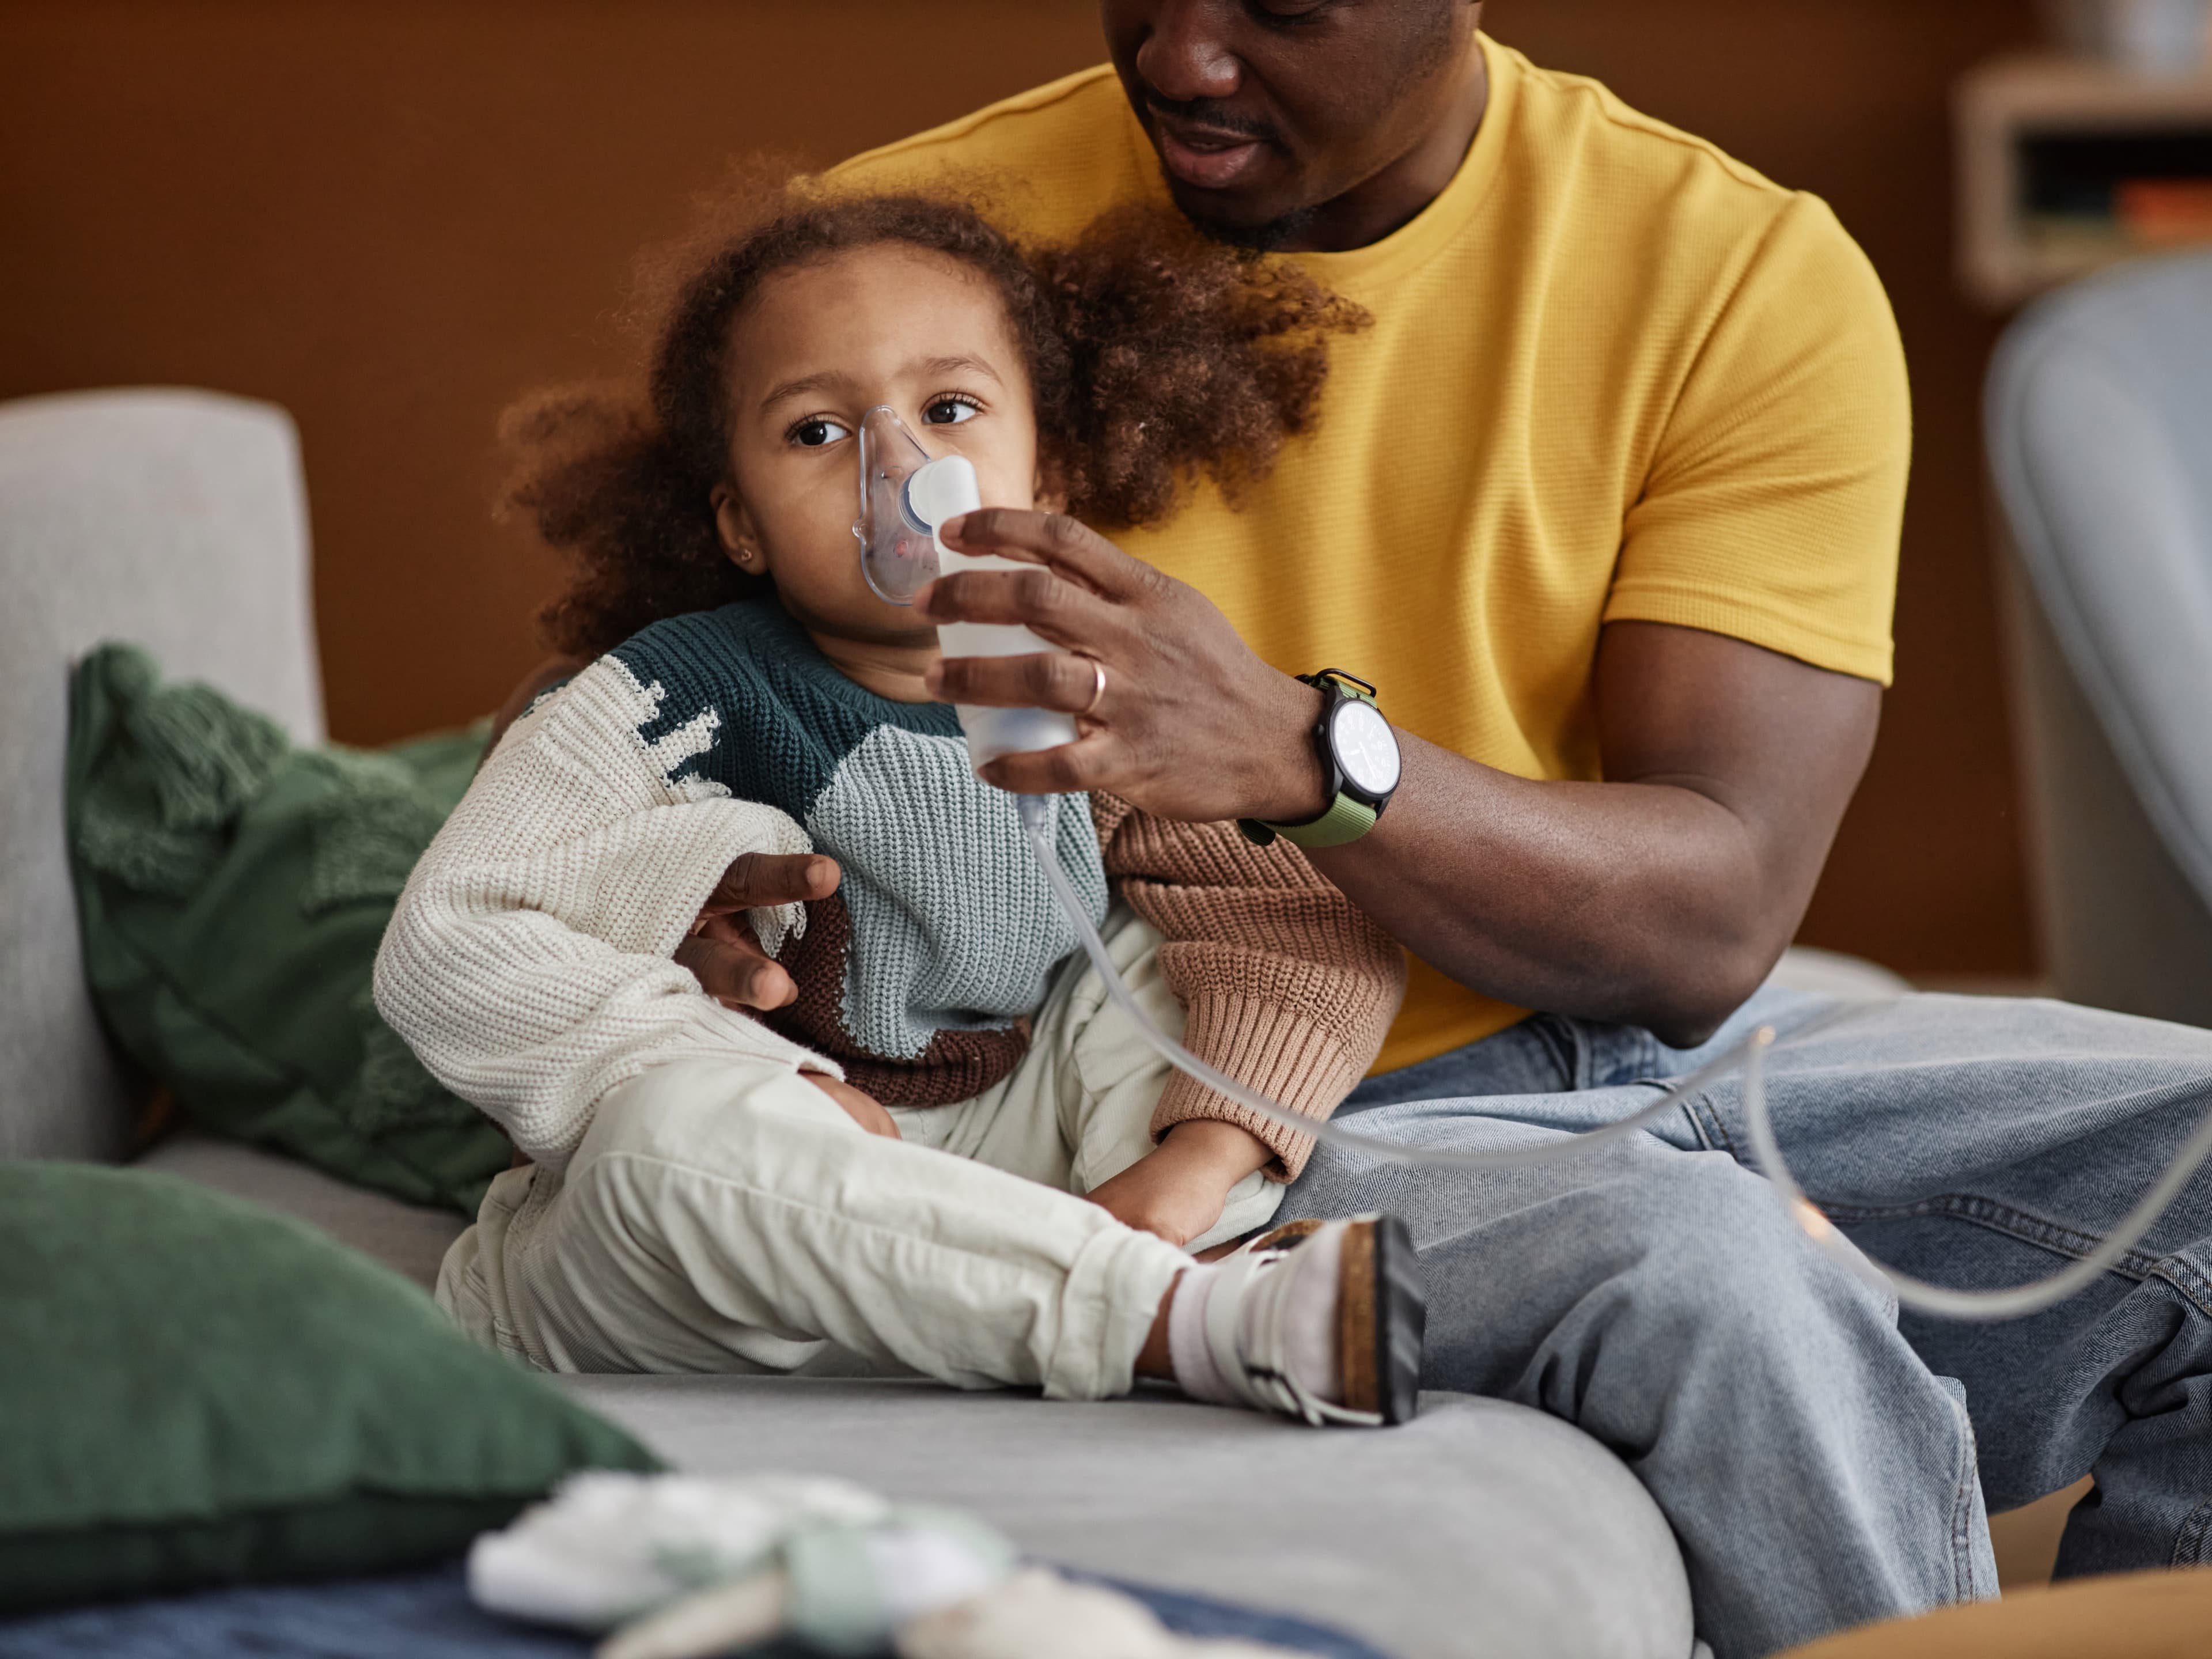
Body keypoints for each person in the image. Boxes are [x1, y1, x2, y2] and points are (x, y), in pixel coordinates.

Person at [650, 5, 2212, 1656]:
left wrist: (1301, 752)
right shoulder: (898, 277)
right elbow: (675, 721)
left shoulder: (1730, 273)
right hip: (1215, 1114)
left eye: (1281, 5)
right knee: (1714, 1264)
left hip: (1622, 1041)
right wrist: (688, 901)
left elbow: (1712, 920)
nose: (1183, 58)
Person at [376, 181, 1429, 1432]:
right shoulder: (676, 696)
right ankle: (1175, 1317)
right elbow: (454, 933)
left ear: (1051, 471)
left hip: (1037, 1174)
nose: (900, 468)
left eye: (949, 410)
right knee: (663, 1139)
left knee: (1156, 957)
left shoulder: (1103, 695)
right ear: (741, 524)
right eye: (817, 431)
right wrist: (729, 1070)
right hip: (738, 1243)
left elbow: (1298, 928)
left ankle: (1153, 1246)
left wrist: (1199, 1161)